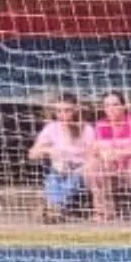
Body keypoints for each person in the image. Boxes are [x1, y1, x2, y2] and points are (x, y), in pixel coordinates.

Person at [88, 90, 131, 222]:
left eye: (115, 105)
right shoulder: (101, 124)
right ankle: (103, 213)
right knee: (94, 165)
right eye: (107, 106)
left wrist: (119, 153)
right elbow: (94, 149)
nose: (111, 109)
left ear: (124, 106)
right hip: (110, 168)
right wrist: (104, 155)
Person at [29, 93, 94, 222]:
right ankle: (55, 209)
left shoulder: (86, 129)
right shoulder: (51, 128)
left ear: (75, 111)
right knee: (53, 179)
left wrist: (82, 168)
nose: (62, 115)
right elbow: (32, 154)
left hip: (79, 169)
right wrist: (49, 150)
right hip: (58, 168)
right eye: (59, 111)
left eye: (67, 111)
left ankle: (53, 207)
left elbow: (92, 155)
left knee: (73, 181)